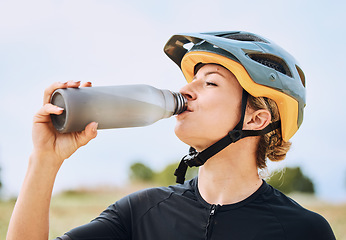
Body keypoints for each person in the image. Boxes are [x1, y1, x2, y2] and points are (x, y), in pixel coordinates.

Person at [6, 31, 336, 240]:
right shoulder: (140, 213)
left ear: (256, 117)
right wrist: (44, 161)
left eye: (210, 82)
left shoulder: (304, 230)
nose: (184, 90)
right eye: (190, 80)